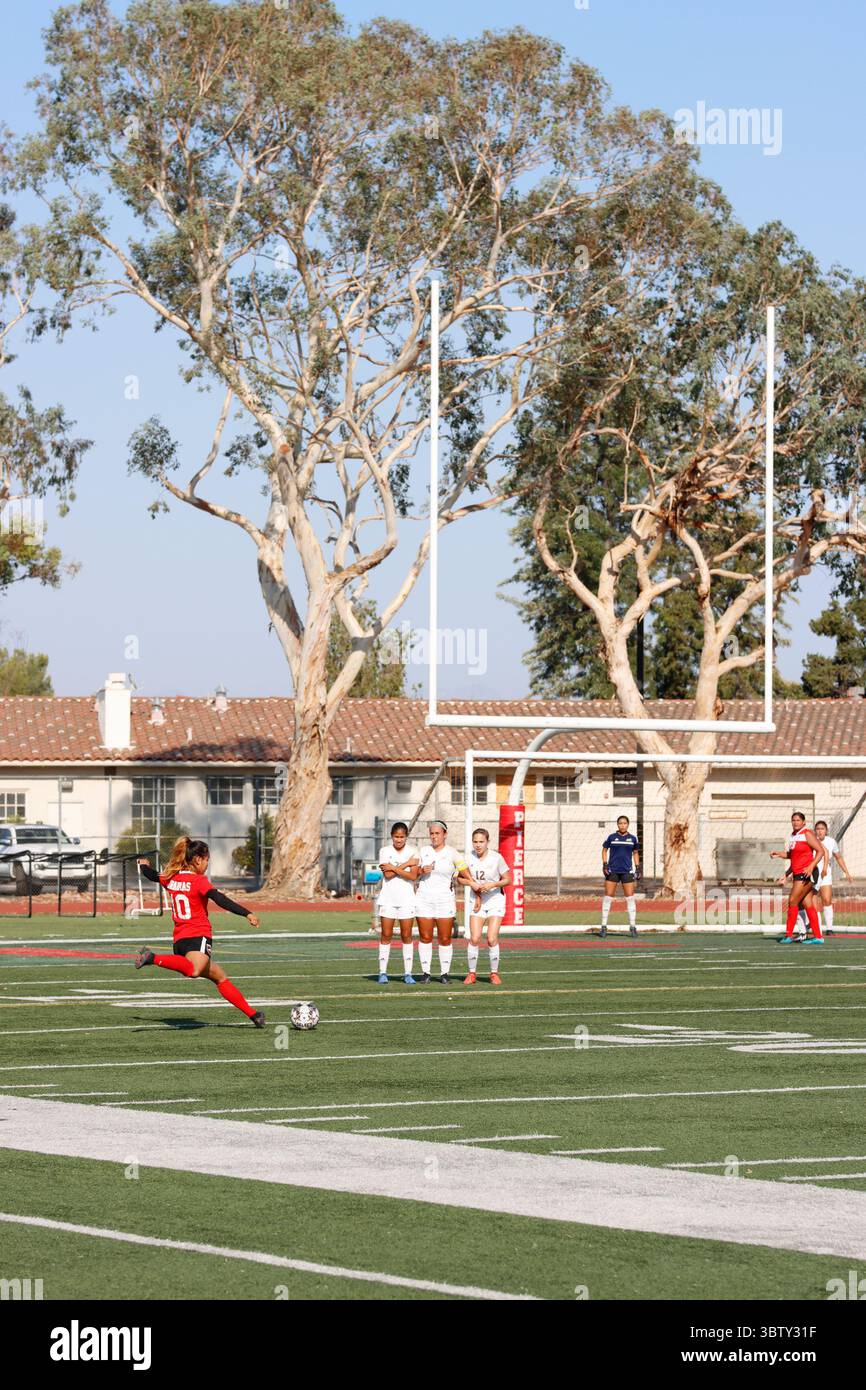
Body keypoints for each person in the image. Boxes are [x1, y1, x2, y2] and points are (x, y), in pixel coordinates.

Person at [133, 835, 265, 1024]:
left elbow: (152, 875)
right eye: (206, 861)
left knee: (219, 977)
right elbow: (221, 899)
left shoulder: (172, 877)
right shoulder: (198, 881)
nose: (207, 865)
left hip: (179, 941)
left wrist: (144, 865)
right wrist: (247, 914)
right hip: (198, 936)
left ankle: (254, 1015)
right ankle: (152, 958)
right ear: (197, 860)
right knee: (194, 971)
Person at [415, 820, 467, 984]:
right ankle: (426, 973)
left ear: (445, 834)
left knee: (445, 938)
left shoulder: (453, 853)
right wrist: (421, 871)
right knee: (425, 936)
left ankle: (444, 974)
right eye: (432, 833)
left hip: (445, 900)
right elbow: (413, 873)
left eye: (437, 833)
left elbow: (465, 873)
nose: (434, 836)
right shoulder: (423, 851)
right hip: (424, 899)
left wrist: (474, 886)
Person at [459, 827, 511, 986]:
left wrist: (493, 884)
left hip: (495, 899)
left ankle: (494, 974)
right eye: (475, 842)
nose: (478, 845)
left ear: (487, 842)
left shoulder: (497, 858)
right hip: (476, 900)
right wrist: (471, 883)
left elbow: (507, 879)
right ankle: (472, 973)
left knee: (491, 938)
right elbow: (460, 878)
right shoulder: (468, 858)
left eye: (481, 841)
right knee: (474, 938)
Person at [375, 821, 420, 984]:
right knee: (386, 935)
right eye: (396, 837)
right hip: (388, 899)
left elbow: (413, 876)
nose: (399, 840)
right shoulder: (385, 851)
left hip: (407, 900)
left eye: (402, 837)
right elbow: (387, 876)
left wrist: (394, 867)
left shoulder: (413, 851)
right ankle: (382, 972)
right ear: (392, 836)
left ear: (406, 837)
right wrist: (407, 864)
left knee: (406, 935)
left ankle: (408, 973)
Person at [770, 812, 824, 945]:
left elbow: (821, 851)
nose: (795, 822)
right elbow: (793, 856)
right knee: (807, 903)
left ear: (804, 822)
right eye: (793, 820)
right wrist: (780, 856)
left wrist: (811, 866)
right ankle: (818, 937)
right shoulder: (793, 836)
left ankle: (788, 935)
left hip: (807, 873)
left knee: (793, 901)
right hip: (798, 873)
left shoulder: (807, 833)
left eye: (798, 820)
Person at [599, 815, 641, 938]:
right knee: (608, 897)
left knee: (630, 898)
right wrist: (605, 865)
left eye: (624, 823)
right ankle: (603, 926)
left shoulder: (632, 839)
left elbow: (635, 853)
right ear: (617, 825)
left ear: (628, 824)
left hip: (627, 872)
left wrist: (637, 867)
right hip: (613, 871)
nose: (622, 825)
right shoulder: (612, 837)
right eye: (620, 823)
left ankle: (633, 927)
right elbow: (604, 850)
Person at [811, 820, 852, 936]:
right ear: (815, 831)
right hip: (813, 874)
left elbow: (838, 857)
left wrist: (847, 872)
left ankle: (829, 928)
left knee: (827, 900)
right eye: (818, 829)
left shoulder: (831, 842)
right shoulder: (811, 841)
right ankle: (817, 929)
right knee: (813, 902)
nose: (820, 831)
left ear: (826, 831)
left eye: (822, 829)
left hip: (825, 874)